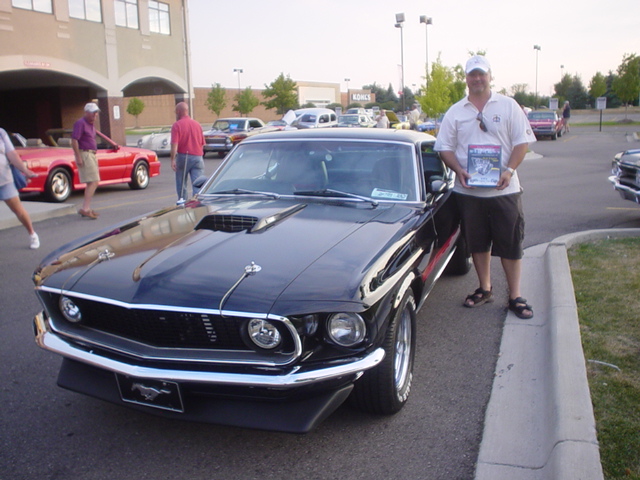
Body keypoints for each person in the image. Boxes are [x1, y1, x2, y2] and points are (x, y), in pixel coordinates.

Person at [434, 55, 537, 319]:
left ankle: (515, 296)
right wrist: (459, 170)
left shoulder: (508, 105)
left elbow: (521, 142)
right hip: (468, 192)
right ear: (466, 78)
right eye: (472, 74)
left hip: (505, 190)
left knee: (511, 243)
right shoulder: (456, 111)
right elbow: (444, 147)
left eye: (482, 74)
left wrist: (509, 170)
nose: (477, 79)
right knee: (478, 244)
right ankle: (485, 288)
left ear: (490, 76)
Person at [0, 128, 40, 248]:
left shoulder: (1, 133)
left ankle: (32, 234)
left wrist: (25, 171)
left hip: (4, 179)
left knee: (18, 210)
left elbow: (12, 154)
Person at [170, 102, 205, 202]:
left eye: (175, 112)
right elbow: (202, 143)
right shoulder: (197, 125)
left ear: (178, 111)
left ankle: (183, 202)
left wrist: (172, 159)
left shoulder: (177, 126)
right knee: (198, 183)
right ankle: (197, 202)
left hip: (183, 156)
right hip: (198, 157)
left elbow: (174, 144)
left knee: (181, 184)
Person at [72, 102, 101, 219]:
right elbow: (74, 140)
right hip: (85, 153)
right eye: (93, 112)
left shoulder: (91, 125)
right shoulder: (80, 123)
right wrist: (78, 156)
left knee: (92, 182)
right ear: (86, 112)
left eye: (96, 112)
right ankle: (85, 208)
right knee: (94, 181)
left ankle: (87, 208)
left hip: (92, 154)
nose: (95, 115)